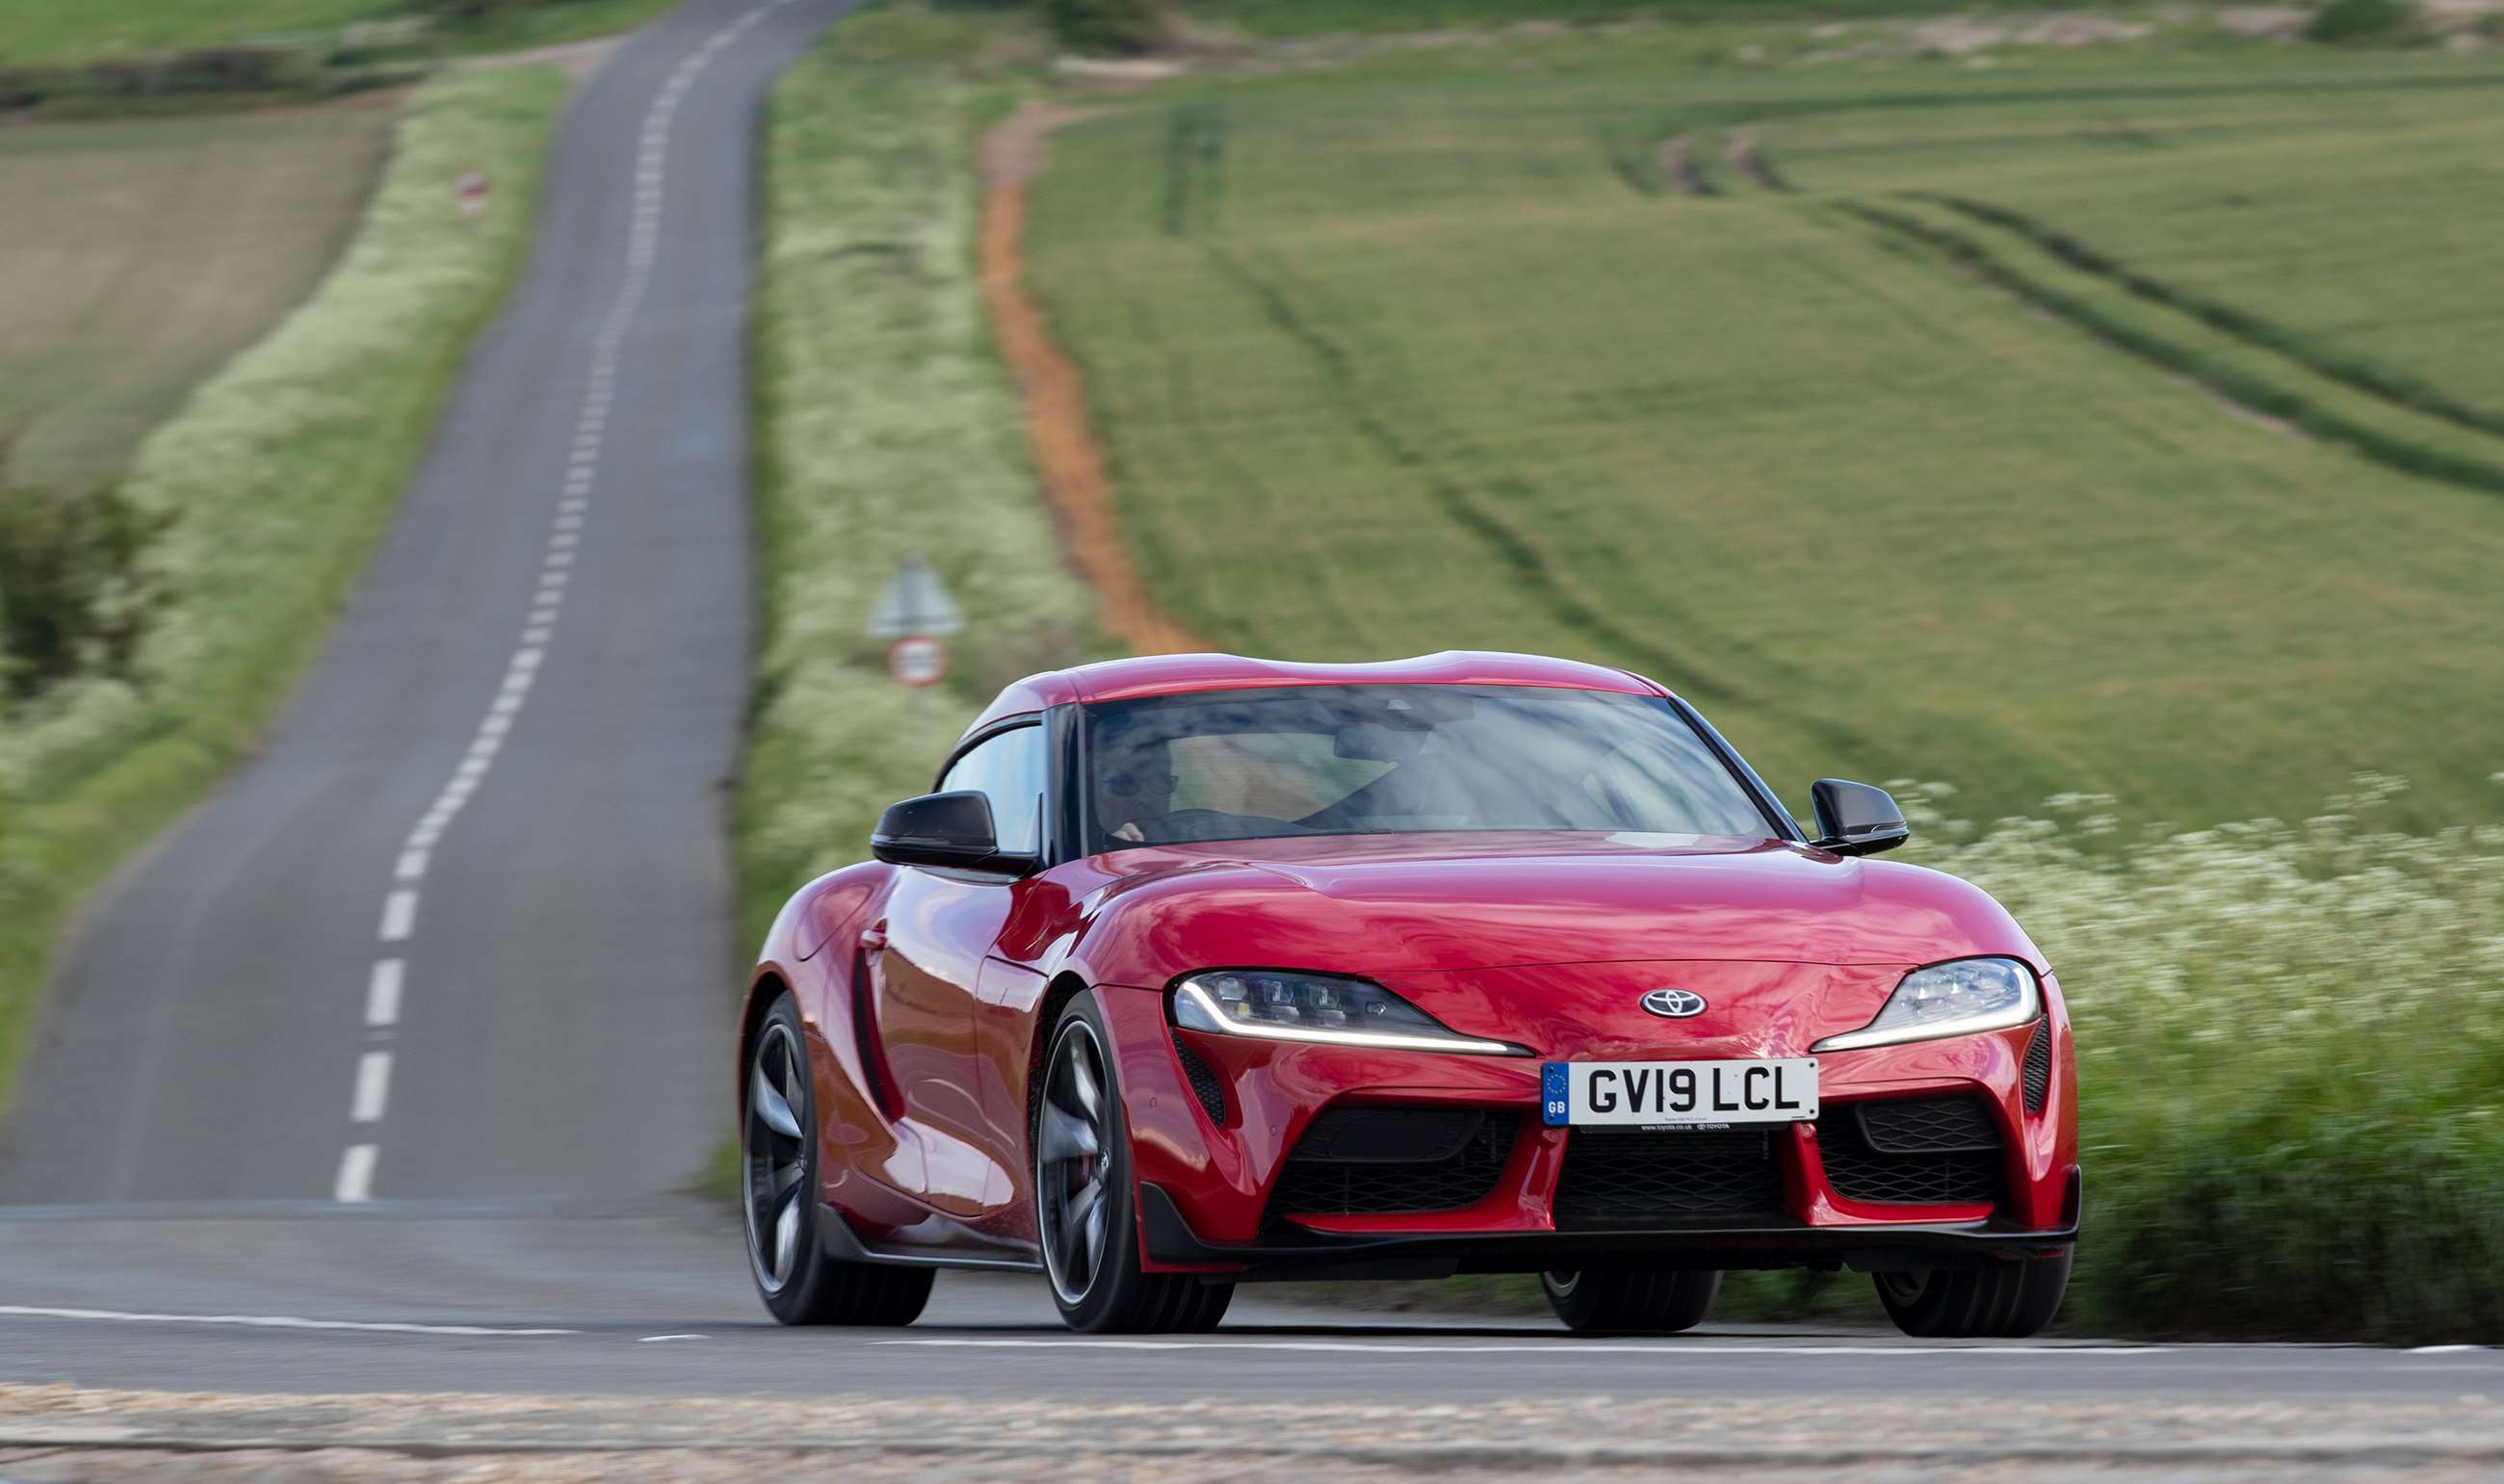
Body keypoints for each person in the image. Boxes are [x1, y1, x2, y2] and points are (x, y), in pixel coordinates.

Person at [1094, 729, 1178, 844]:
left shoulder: (1183, 840)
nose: (1145, 798)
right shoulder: (1087, 850)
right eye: (1124, 784)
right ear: (1094, 792)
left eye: (1160, 781)